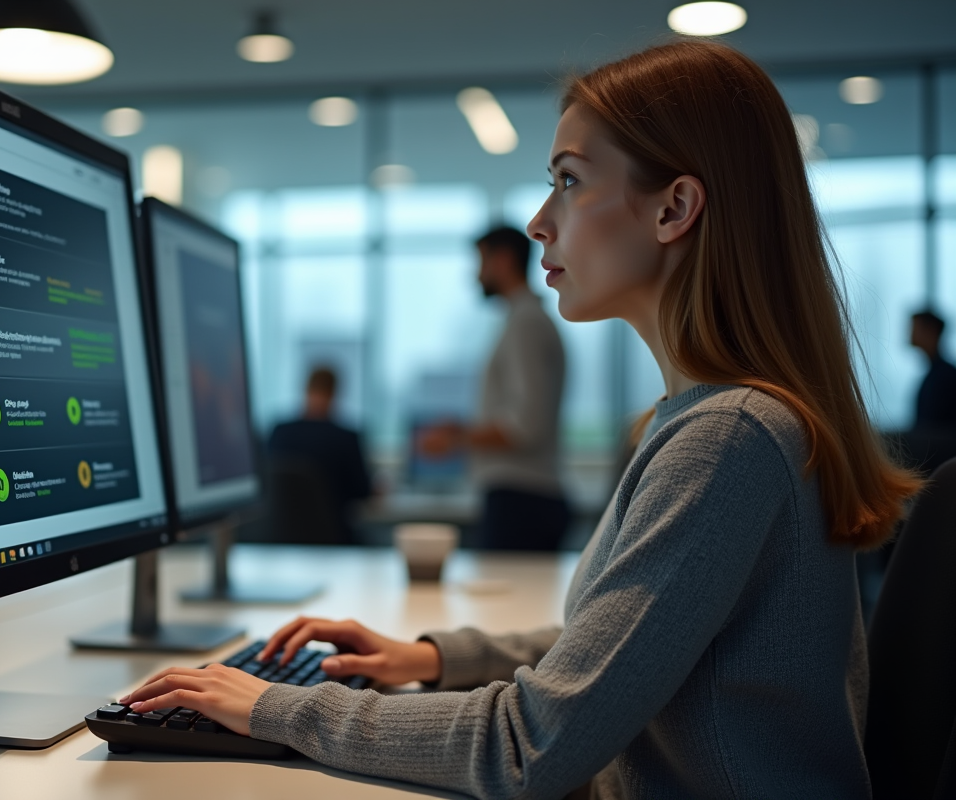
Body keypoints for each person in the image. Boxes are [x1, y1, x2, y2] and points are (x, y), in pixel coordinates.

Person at [116, 41, 920, 799]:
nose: (540, 220)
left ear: (674, 207)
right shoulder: (710, 421)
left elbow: (529, 746)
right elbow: (615, 653)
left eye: (568, 180)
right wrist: (432, 657)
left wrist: (274, 707)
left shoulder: (726, 440)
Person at [418, 225, 568, 551]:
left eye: (481, 262)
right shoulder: (521, 320)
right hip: (520, 498)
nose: (477, 276)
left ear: (503, 260)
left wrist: (455, 438)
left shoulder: (525, 324)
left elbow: (525, 426)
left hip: (521, 500)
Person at [266, 367, 372, 544]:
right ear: (333, 393)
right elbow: (362, 491)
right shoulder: (346, 438)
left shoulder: (280, 432)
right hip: (334, 540)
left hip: (279, 537)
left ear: (306, 389)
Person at [909, 309, 956, 428]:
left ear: (931, 331)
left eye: (915, 327)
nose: (910, 332)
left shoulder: (944, 378)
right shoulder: (938, 375)